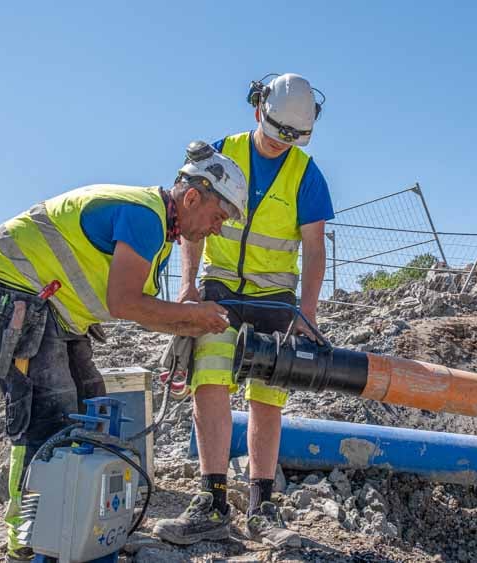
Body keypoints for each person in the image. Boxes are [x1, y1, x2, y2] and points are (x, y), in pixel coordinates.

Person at [0, 142, 245, 562]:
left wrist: (191, 321)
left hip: (54, 308)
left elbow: (142, 312)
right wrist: (195, 315)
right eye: (218, 217)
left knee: (90, 405)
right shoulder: (144, 217)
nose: (217, 229)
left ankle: (76, 524)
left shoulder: (160, 236)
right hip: (8, 284)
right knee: (47, 412)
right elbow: (124, 304)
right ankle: (25, 540)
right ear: (191, 197)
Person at [153, 73, 334, 548]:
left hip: (277, 303)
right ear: (258, 112)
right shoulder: (221, 151)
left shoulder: (306, 173)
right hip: (220, 294)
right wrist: (188, 285)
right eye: (275, 135)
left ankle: (262, 504)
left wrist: (307, 313)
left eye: (290, 140)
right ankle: (212, 501)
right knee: (209, 381)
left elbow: (315, 250)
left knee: (267, 399)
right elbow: (192, 222)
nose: (279, 146)